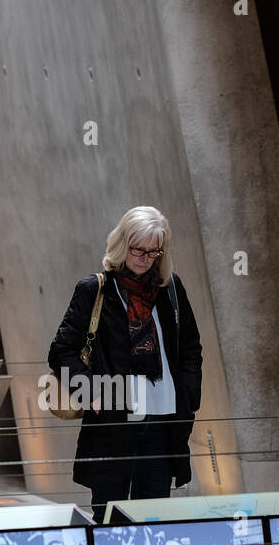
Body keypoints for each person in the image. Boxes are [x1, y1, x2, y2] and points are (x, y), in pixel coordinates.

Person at [48, 206, 203, 519]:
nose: (146, 258)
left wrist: (187, 394)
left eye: (154, 251)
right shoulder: (94, 289)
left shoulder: (170, 289)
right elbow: (61, 350)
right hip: (114, 420)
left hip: (162, 420)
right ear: (122, 244)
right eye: (139, 250)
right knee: (112, 515)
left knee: (151, 515)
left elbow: (190, 349)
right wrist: (90, 391)